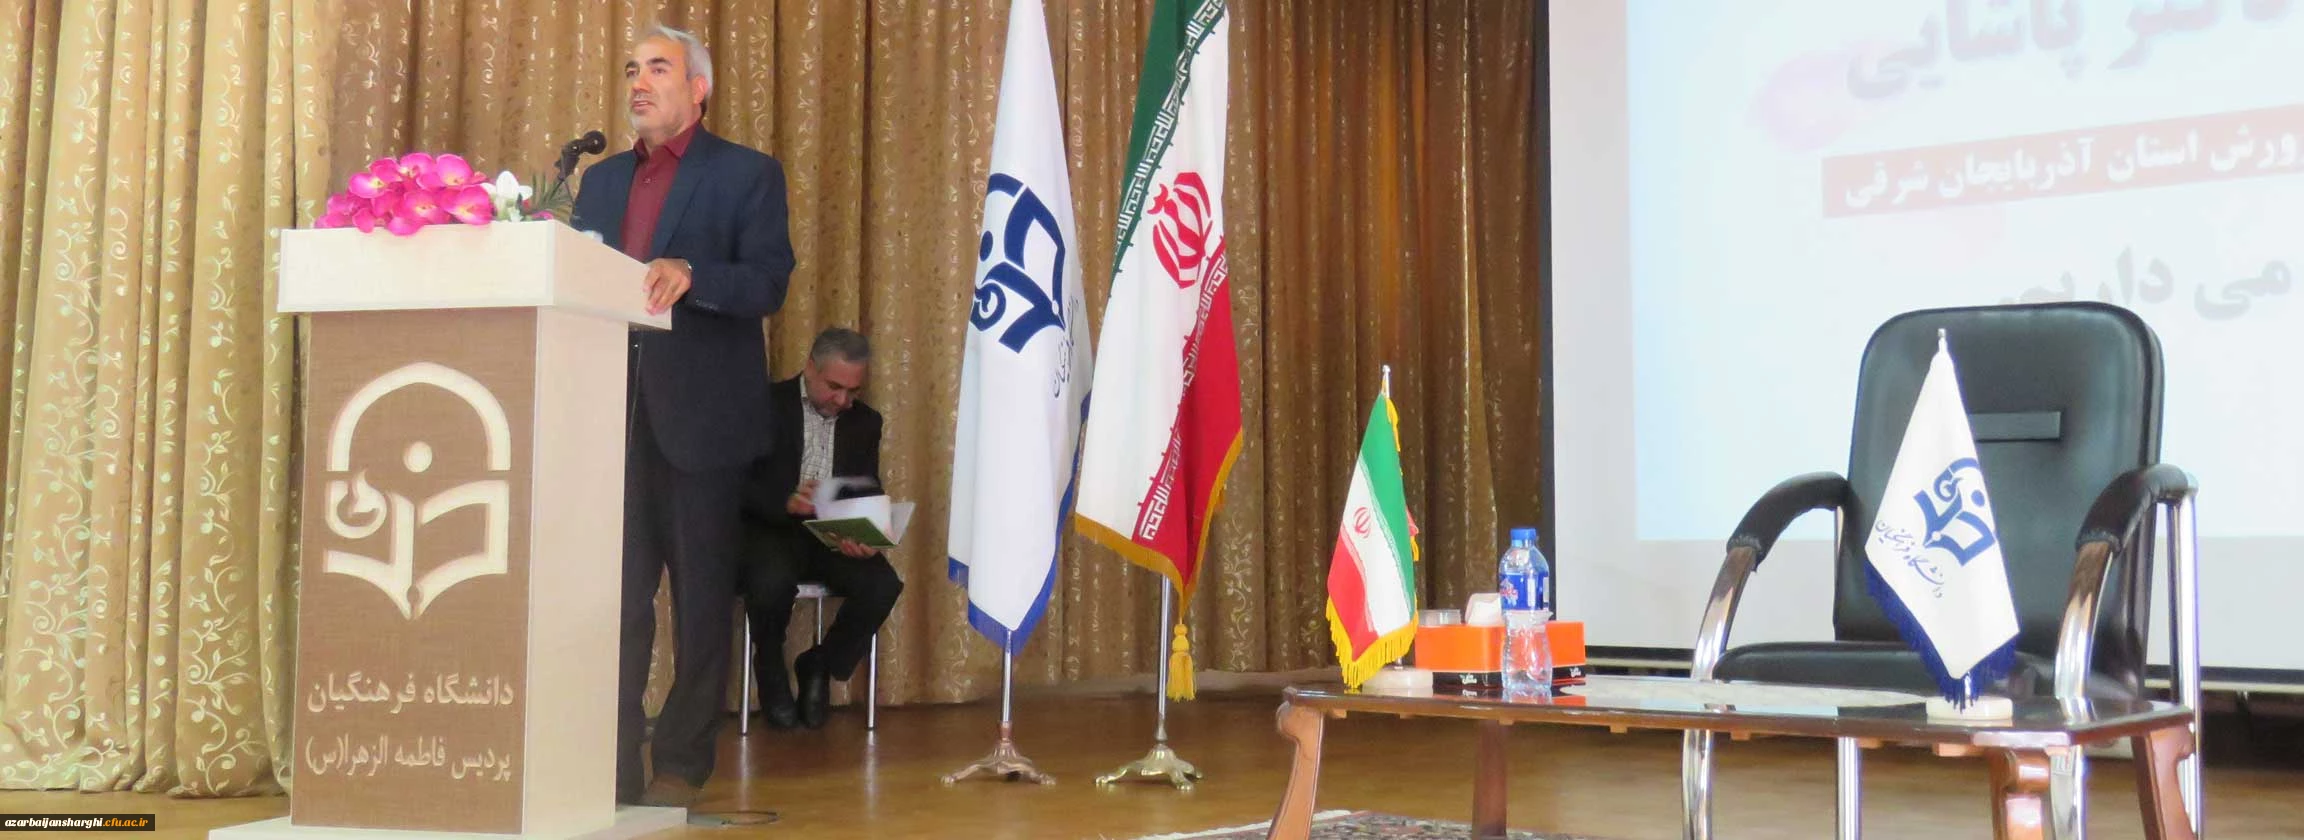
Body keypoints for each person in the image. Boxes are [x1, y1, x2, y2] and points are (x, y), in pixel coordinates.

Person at [570, 23, 795, 808]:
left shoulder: (746, 174)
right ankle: (609, 765)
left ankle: (681, 762)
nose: (639, 81)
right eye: (631, 68)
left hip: (702, 421)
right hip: (608, 418)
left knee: (700, 606)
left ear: (698, 88)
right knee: (616, 603)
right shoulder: (600, 182)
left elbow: (768, 281)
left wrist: (693, 273)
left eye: (658, 68)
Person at [739, 327, 904, 730]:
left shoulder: (866, 422)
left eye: (852, 391)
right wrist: (785, 500)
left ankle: (819, 664)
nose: (843, 400)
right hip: (772, 528)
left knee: (883, 585)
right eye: (834, 387)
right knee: (770, 581)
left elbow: (867, 486)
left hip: (832, 535)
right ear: (810, 368)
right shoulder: (765, 404)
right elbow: (734, 483)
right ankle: (770, 665)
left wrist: (866, 531)